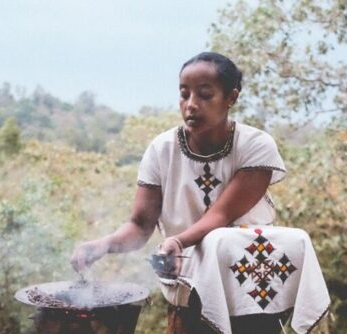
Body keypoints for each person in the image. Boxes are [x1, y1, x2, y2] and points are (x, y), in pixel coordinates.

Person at [72, 52, 284, 278]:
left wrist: (176, 241)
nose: (191, 105)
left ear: (231, 98)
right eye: (184, 94)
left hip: (249, 280)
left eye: (204, 95)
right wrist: (103, 245)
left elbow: (221, 215)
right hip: (187, 280)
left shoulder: (256, 146)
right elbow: (140, 226)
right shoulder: (161, 149)